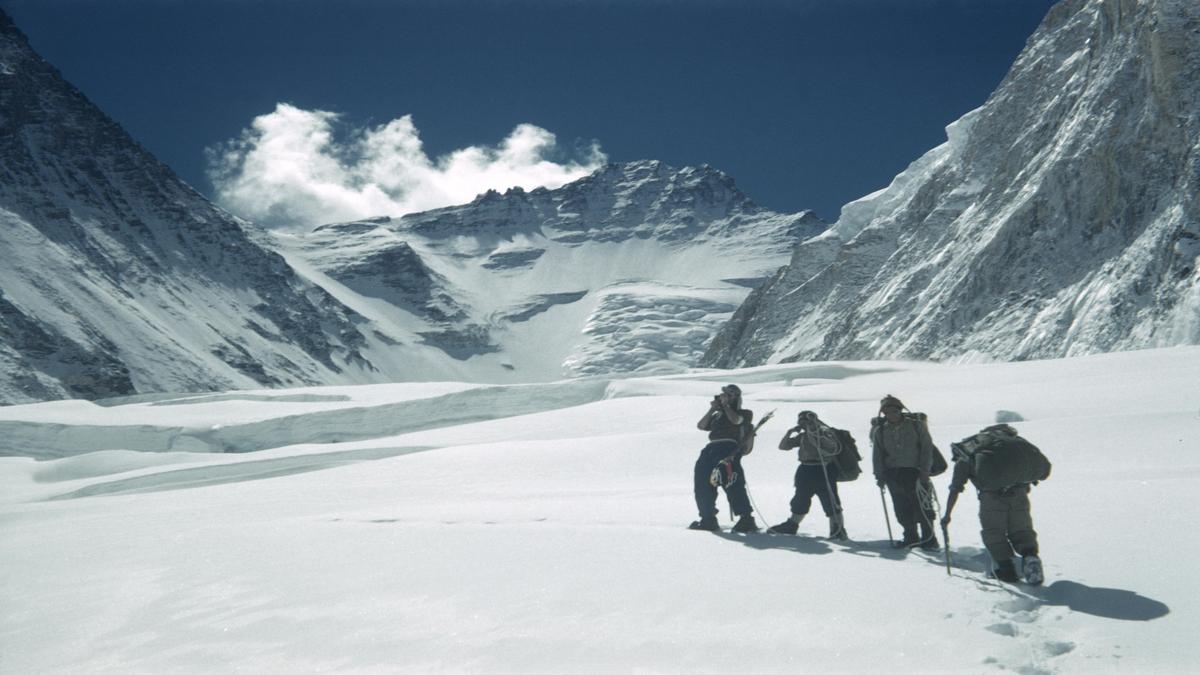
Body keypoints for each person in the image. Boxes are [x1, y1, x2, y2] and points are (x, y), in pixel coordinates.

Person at [941, 430, 1045, 585]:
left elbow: (956, 488)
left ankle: (1006, 570)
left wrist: (947, 514)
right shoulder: (1006, 448)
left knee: (993, 533)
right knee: (1022, 530)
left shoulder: (966, 455)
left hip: (991, 498)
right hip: (1019, 494)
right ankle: (1030, 556)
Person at [871, 395, 940, 550]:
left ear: (900, 410)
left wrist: (925, 471)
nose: (891, 414)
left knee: (923, 508)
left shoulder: (917, 425)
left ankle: (929, 540)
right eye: (887, 412)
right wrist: (879, 475)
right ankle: (910, 537)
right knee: (901, 508)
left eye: (894, 411)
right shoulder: (880, 431)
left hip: (916, 473)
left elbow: (926, 449)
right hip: (893, 475)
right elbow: (877, 454)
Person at [768, 411, 848, 540]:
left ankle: (837, 528)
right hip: (805, 469)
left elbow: (832, 448)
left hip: (823, 469)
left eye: (808, 421)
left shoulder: (825, 432)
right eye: (802, 422)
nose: (805, 425)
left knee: (830, 499)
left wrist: (818, 436)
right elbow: (783, 446)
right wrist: (790, 432)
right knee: (800, 498)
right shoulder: (803, 436)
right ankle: (792, 524)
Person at [690, 384, 759, 533]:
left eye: (726, 395)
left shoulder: (745, 413)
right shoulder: (717, 415)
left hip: (729, 448)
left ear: (734, 397)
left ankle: (746, 518)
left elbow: (737, 421)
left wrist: (727, 406)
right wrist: (713, 409)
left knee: (732, 482)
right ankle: (708, 518)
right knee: (702, 482)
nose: (722, 398)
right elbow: (701, 426)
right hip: (711, 449)